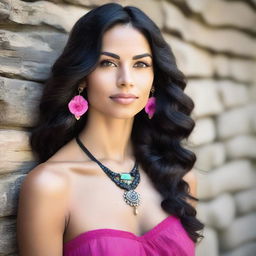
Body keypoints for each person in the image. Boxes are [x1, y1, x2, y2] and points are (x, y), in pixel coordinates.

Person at [16, 3, 204, 256]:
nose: (126, 79)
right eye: (108, 63)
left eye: (140, 65)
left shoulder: (177, 176)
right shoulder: (50, 185)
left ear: (154, 80)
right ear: (83, 77)